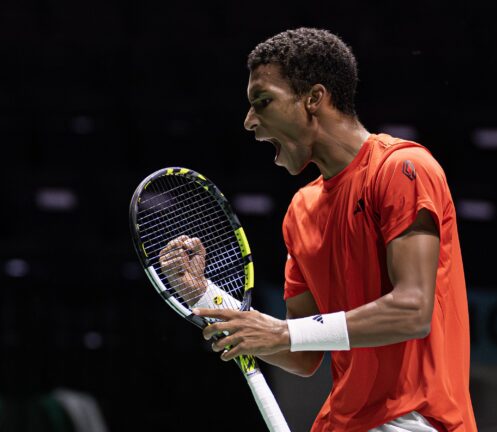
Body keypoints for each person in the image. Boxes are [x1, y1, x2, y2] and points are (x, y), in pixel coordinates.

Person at [162, 28, 477, 432]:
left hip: (414, 419)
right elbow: (300, 354)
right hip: (343, 422)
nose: (249, 122)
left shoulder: (401, 170)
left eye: (263, 102)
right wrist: (203, 291)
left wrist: (282, 332)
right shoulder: (302, 210)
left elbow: (413, 311)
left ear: (314, 98)